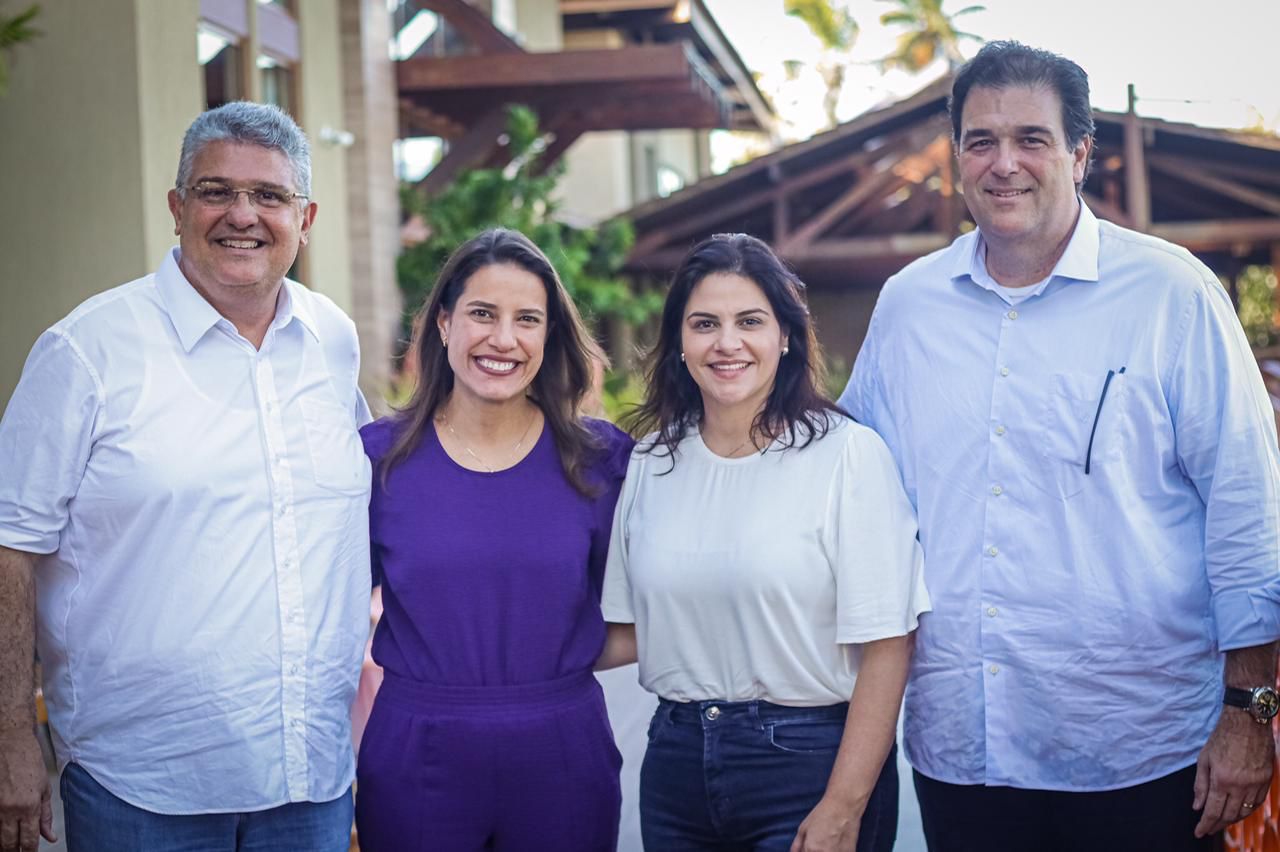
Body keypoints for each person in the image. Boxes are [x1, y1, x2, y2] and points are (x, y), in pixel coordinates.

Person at [839, 40, 1280, 852]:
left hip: (1146, 753)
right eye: (981, 141)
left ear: (1079, 154)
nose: (1004, 163)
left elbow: (1248, 509)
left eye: (1031, 139)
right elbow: (848, 483)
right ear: (958, 158)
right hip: (965, 752)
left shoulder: (1171, 295)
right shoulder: (909, 307)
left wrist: (1251, 712)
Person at [0, 101, 371, 852]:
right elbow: (10, 547)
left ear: (306, 219)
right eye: (215, 191)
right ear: (176, 207)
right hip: (140, 788)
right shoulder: (86, 351)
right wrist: (9, 735)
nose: (243, 215)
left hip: (310, 779)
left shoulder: (331, 339)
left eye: (269, 195)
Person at [600, 233, 930, 852]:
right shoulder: (653, 461)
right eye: (705, 323)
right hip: (675, 763)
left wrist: (844, 804)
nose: (727, 343)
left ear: (785, 336)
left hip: (808, 765)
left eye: (749, 321)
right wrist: (472, 651)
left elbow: (890, 644)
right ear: (679, 342)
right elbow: (628, 631)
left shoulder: (846, 455)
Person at [355, 228, 633, 852]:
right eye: (482, 313)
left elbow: (659, 610)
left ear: (549, 335)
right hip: (416, 753)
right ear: (444, 324)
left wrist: (551, 662)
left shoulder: (601, 460)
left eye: (526, 319)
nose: (503, 339)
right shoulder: (377, 459)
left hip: (563, 750)